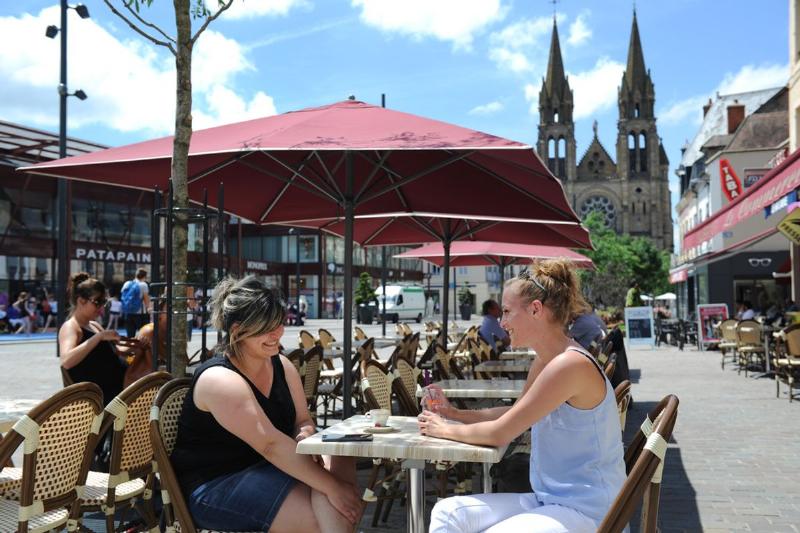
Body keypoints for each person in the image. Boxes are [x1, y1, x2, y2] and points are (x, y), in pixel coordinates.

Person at [419, 259, 625, 532]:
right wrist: (453, 414)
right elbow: (515, 414)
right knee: (447, 513)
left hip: (588, 512)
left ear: (536, 309)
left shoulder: (569, 364)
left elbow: (501, 433)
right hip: (549, 500)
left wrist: (443, 430)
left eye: (506, 312)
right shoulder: (547, 360)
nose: (502, 322)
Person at [171, 276, 363, 532]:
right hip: (217, 483)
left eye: (279, 324)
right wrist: (332, 486)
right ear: (238, 331)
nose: (277, 334)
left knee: (341, 461)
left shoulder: (280, 365)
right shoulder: (220, 380)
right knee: (329, 508)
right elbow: (271, 444)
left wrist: (304, 434)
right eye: (266, 328)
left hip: (269, 467)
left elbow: (302, 420)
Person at [58, 273, 126, 406]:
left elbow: (115, 353)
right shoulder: (71, 327)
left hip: (116, 391)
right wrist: (99, 337)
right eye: (97, 302)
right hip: (100, 400)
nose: (101, 308)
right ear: (81, 301)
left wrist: (133, 347)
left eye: (104, 302)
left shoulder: (93, 324)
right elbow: (66, 361)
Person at [121, 268, 150, 338]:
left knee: (130, 336)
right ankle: (140, 349)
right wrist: (149, 309)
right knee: (143, 335)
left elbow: (123, 296)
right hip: (140, 314)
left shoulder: (127, 283)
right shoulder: (143, 284)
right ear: (144, 276)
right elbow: (146, 300)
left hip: (128, 313)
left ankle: (130, 348)